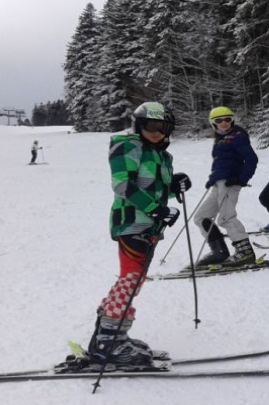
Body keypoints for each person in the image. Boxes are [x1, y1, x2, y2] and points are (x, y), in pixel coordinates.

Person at [87, 102, 191, 367]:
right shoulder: (127, 146)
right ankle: (110, 343)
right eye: (151, 126)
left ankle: (107, 335)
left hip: (149, 225)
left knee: (132, 280)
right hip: (131, 223)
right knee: (132, 280)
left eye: (163, 128)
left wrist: (173, 185)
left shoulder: (162, 155)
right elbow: (124, 185)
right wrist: (157, 210)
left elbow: (154, 188)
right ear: (139, 125)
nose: (157, 132)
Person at [193, 106, 262, 267]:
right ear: (213, 123)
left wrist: (241, 178)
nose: (224, 123)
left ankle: (245, 253)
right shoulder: (220, 138)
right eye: (219, 120)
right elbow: (222, 162)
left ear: (232, 120)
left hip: (231, 182)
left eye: (227, 119)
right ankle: (219, 252)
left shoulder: (238, 136)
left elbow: (251, 159)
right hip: (219, 182)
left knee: (226, 217)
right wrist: (213, 179)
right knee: (201, 217)